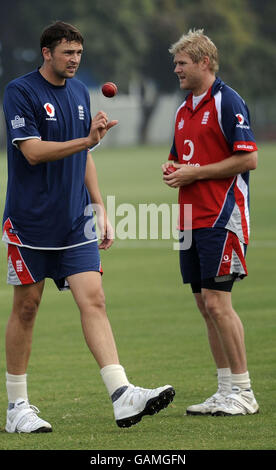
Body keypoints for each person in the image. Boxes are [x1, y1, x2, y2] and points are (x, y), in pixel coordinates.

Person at [2, 21, 175, 433]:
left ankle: (122, 394)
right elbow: (33, 152)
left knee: (94, 299)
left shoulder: (80, 92)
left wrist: (99, 207)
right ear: (47, 53)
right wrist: (88, 140)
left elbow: (85, 158)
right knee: (27, 308)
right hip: (30, 223)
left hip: (74, 219)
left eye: (79, 53)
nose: (75, 60)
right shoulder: (20, 92)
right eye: (67, 53)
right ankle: (17, 407)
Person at [162, 29, 259, 416]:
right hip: (191, 218)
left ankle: (244, 391)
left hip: (222, 216)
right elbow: (180, 158)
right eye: (175, 63)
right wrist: (174, 170)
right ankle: (224, 391)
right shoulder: (184, 108)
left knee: (219, 303)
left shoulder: (227, 101)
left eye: (182, 63)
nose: (176, 69)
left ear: (205, 62)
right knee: (205, 304)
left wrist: (195, 173)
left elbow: (248, 159)